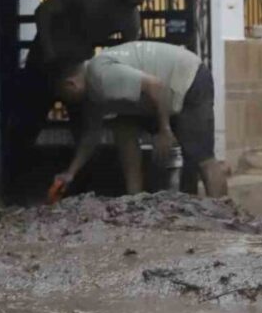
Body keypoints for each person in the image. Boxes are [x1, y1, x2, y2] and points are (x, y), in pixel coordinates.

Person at [7, 0, 157, 181]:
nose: (142, 1)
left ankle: (78, 187)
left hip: (78, 66)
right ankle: (14, 181)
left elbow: (129, 54)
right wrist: (49, 52)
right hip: (45, 61)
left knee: (86, 128)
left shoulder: (130, 17)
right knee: (26, 123)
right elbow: (44, 12)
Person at [53, 40, 227, 198]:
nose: (67, 104)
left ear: (71, 84)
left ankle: (225, 216)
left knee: (202, 157)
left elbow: (154, 85)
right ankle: (135, 199)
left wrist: (163, 130)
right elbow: (91, 135)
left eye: (64, 97)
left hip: (187, 77)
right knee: (122, 126)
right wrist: (70, 173)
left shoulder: (100, 74)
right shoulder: (93, 94)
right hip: (160, 94)